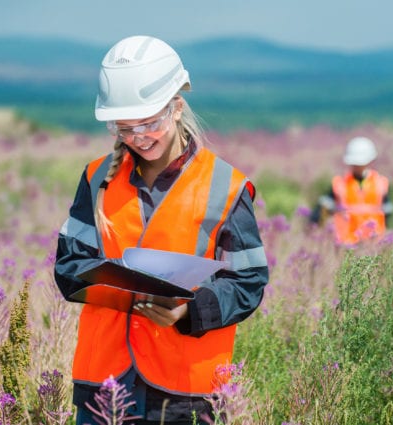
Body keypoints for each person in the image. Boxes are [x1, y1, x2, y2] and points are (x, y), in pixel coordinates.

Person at [53, 35, 269, 425]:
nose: (139, 137)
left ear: (177, 107)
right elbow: (69, 266)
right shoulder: (95, 176)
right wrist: (106, 282)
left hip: (185, 391)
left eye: (150, 122)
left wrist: (189, 311)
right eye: (125, 127)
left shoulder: (226, 186)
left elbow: (249, 282)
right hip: (103, 383)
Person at [309, 136, 393, 245]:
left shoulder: (381, 183)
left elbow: (388, 214)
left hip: (374, 243)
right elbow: (321, 210)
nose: (358, 166)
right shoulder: (339, 184)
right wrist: (314, 229)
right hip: (346, 242)